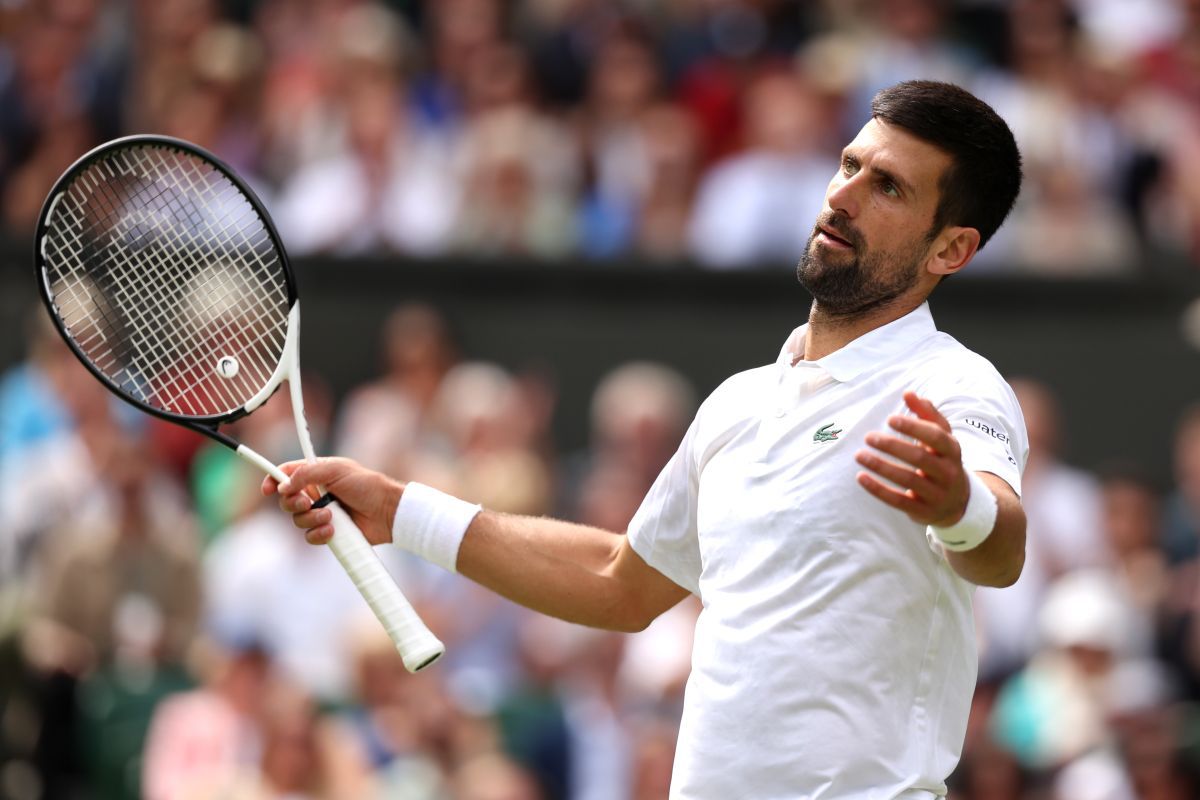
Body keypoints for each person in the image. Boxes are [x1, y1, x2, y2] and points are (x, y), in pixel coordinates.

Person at [265, 80, 1029, 799]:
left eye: (887, 186)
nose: (842, 195)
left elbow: (1001, 547)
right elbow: (620, 581)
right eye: (849, 165)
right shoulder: (739, 402)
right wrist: (401, 511)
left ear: (950, 250)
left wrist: (959, 504)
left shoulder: (954, 386)